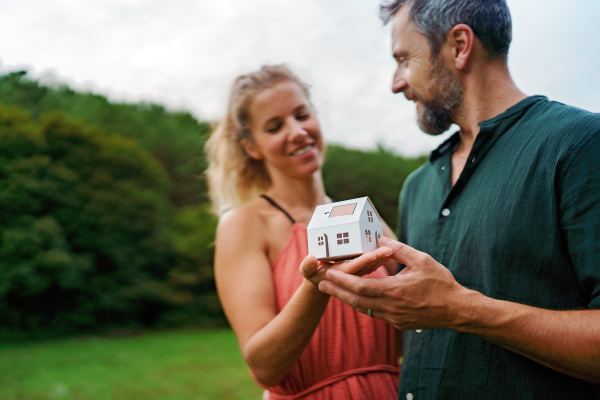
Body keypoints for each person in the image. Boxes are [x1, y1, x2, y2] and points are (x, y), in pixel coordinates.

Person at [303, 0, 600, 398]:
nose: (396, 82)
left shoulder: (581, 146)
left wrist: (462, 309)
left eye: (405, 59)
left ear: (460, 45)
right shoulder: (418, 185)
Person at [205, 64, 402, 399]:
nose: (297, 131)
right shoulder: (244, 225)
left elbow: (414, 321)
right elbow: (265, 366)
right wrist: (318, 285)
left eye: (301, 114)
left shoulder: (365, 217)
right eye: (274, 126)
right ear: (252, 147)